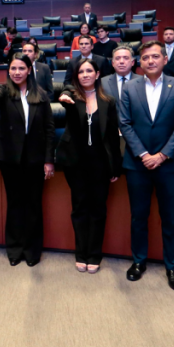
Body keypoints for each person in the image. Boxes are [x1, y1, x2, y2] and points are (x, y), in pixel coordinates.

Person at [118, 41, 174, 289]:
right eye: (146, 57)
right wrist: (143, 154)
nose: (150, 61)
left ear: (165, 59)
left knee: (170, 218)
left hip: (169, 165)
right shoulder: (129, 87)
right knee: (139, 216)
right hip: (137, 165)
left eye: (155, 56)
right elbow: (125, 123)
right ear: (140, 62)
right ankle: (139, 261)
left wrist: (161, 155)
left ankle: (172, 266)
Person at [0, 54, 55, 266]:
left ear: (29, 70)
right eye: (13, 68)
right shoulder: (5, 91)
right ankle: (14, 249)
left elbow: (49, 129)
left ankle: (32, 251)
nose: (17, 72)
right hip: (10, 158)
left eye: (21, 68)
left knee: (33, 205)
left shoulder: (41, 95)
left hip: (35, 158)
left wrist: (49, 160)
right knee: (14, 204)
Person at [57, 58, 121, 273]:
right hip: (76, 163)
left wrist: (115, 166)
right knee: (79, 208)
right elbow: (65, 89)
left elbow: (112, 136)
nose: (85, 74)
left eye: (89, 71)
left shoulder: (108, 101)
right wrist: (66, 94)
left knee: (98, 210)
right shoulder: (71, 98)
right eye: (81, 72)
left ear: (97, 73)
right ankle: (80, 253)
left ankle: (94, 254)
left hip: (100, 164)